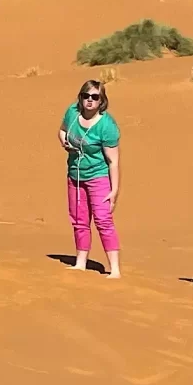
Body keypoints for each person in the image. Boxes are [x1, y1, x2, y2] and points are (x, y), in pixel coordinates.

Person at [59, 79, 123, 276]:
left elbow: (113, 161)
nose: (89, 100)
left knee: (103, 220)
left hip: (98, 177)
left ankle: (114, 269)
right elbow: (62, 131)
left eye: (95, 97)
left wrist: (114, 191)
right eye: (86, 96)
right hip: (76, 175)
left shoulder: (107, 126)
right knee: (79, 220)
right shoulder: (72, 112)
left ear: (101, 101)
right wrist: (65, 142)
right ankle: (80, 262)